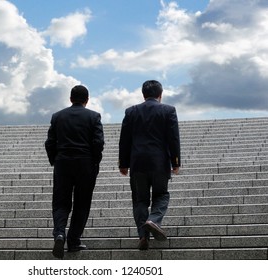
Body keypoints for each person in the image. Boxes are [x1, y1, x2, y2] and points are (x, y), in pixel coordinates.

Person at [118, 80, 180, 250]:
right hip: (159, 162)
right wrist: (175, 162)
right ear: (161, 94)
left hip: (137, 163)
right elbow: (173, 138)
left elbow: (124, 140)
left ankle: (143, 236)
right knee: (161, 195)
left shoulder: (131, 111)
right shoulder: (168, 110)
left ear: (143, 94)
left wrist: (123, 163)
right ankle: (153, 220)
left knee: (139, 200)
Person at [45, 85, 104, 259]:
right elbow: (98, 142)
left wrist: (54, 160)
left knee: (61, 203)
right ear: (87, 99)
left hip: (63, 163)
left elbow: (50, 142)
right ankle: (73, 240)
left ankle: (59, 234)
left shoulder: (58, 116)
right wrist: (95, 161)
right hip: (85, 163)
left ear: (70, 99)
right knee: (82, 203)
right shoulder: (94, 116)